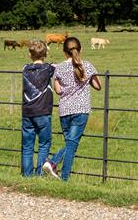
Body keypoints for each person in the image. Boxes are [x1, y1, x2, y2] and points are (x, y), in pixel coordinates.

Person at [42, 37, 101, 181]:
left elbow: (58, 90)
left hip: (65, 110)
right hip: (81, 110)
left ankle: (56, 167)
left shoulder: (60, 68)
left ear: (64, 52)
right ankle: (59, 170)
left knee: (70, 142)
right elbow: (98, 86)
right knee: (72, 144)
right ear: (80, 50)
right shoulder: (87, 65)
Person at [21, 40, 55, 177]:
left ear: (30, 55)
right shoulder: (48, 69)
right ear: (45, 54)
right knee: (44, 144)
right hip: (43, 111)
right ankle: (40, 173)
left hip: (27, 112)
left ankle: (27, 175)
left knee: (27, 146)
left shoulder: (25, 69)